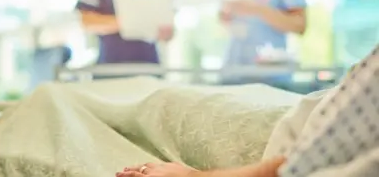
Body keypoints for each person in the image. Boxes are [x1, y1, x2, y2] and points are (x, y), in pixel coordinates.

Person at [116, 44, 379, 176]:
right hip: (294, 114)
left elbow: (294, 168)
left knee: (163, 103)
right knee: (161, 100)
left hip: (269, 137)